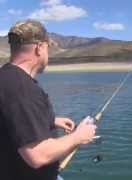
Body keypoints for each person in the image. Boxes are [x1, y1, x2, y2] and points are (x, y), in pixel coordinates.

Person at [0, 19, 97, 180]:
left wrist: (50, 120)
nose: (48, 54)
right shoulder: (21, 89)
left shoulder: (5, 77)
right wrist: (79, 136)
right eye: (48, 47)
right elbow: (37, 155)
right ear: (39, 47)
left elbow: (11, 119)